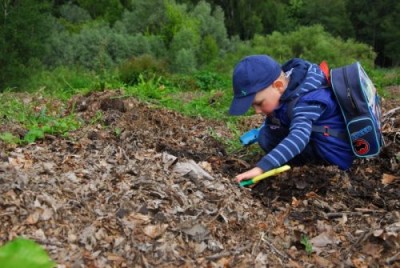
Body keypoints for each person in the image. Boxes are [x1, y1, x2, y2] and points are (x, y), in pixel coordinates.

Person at [229, 55, 354, 182]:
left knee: (267, 136)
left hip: (334, 157)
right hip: (318, 142)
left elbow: (299, 136)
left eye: (259, 103)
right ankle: (293, 164)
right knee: (266, 133)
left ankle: (306, 170)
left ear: (278, 86)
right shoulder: (289, 87)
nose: (257, 111)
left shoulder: (307, 101)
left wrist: (261, 168)